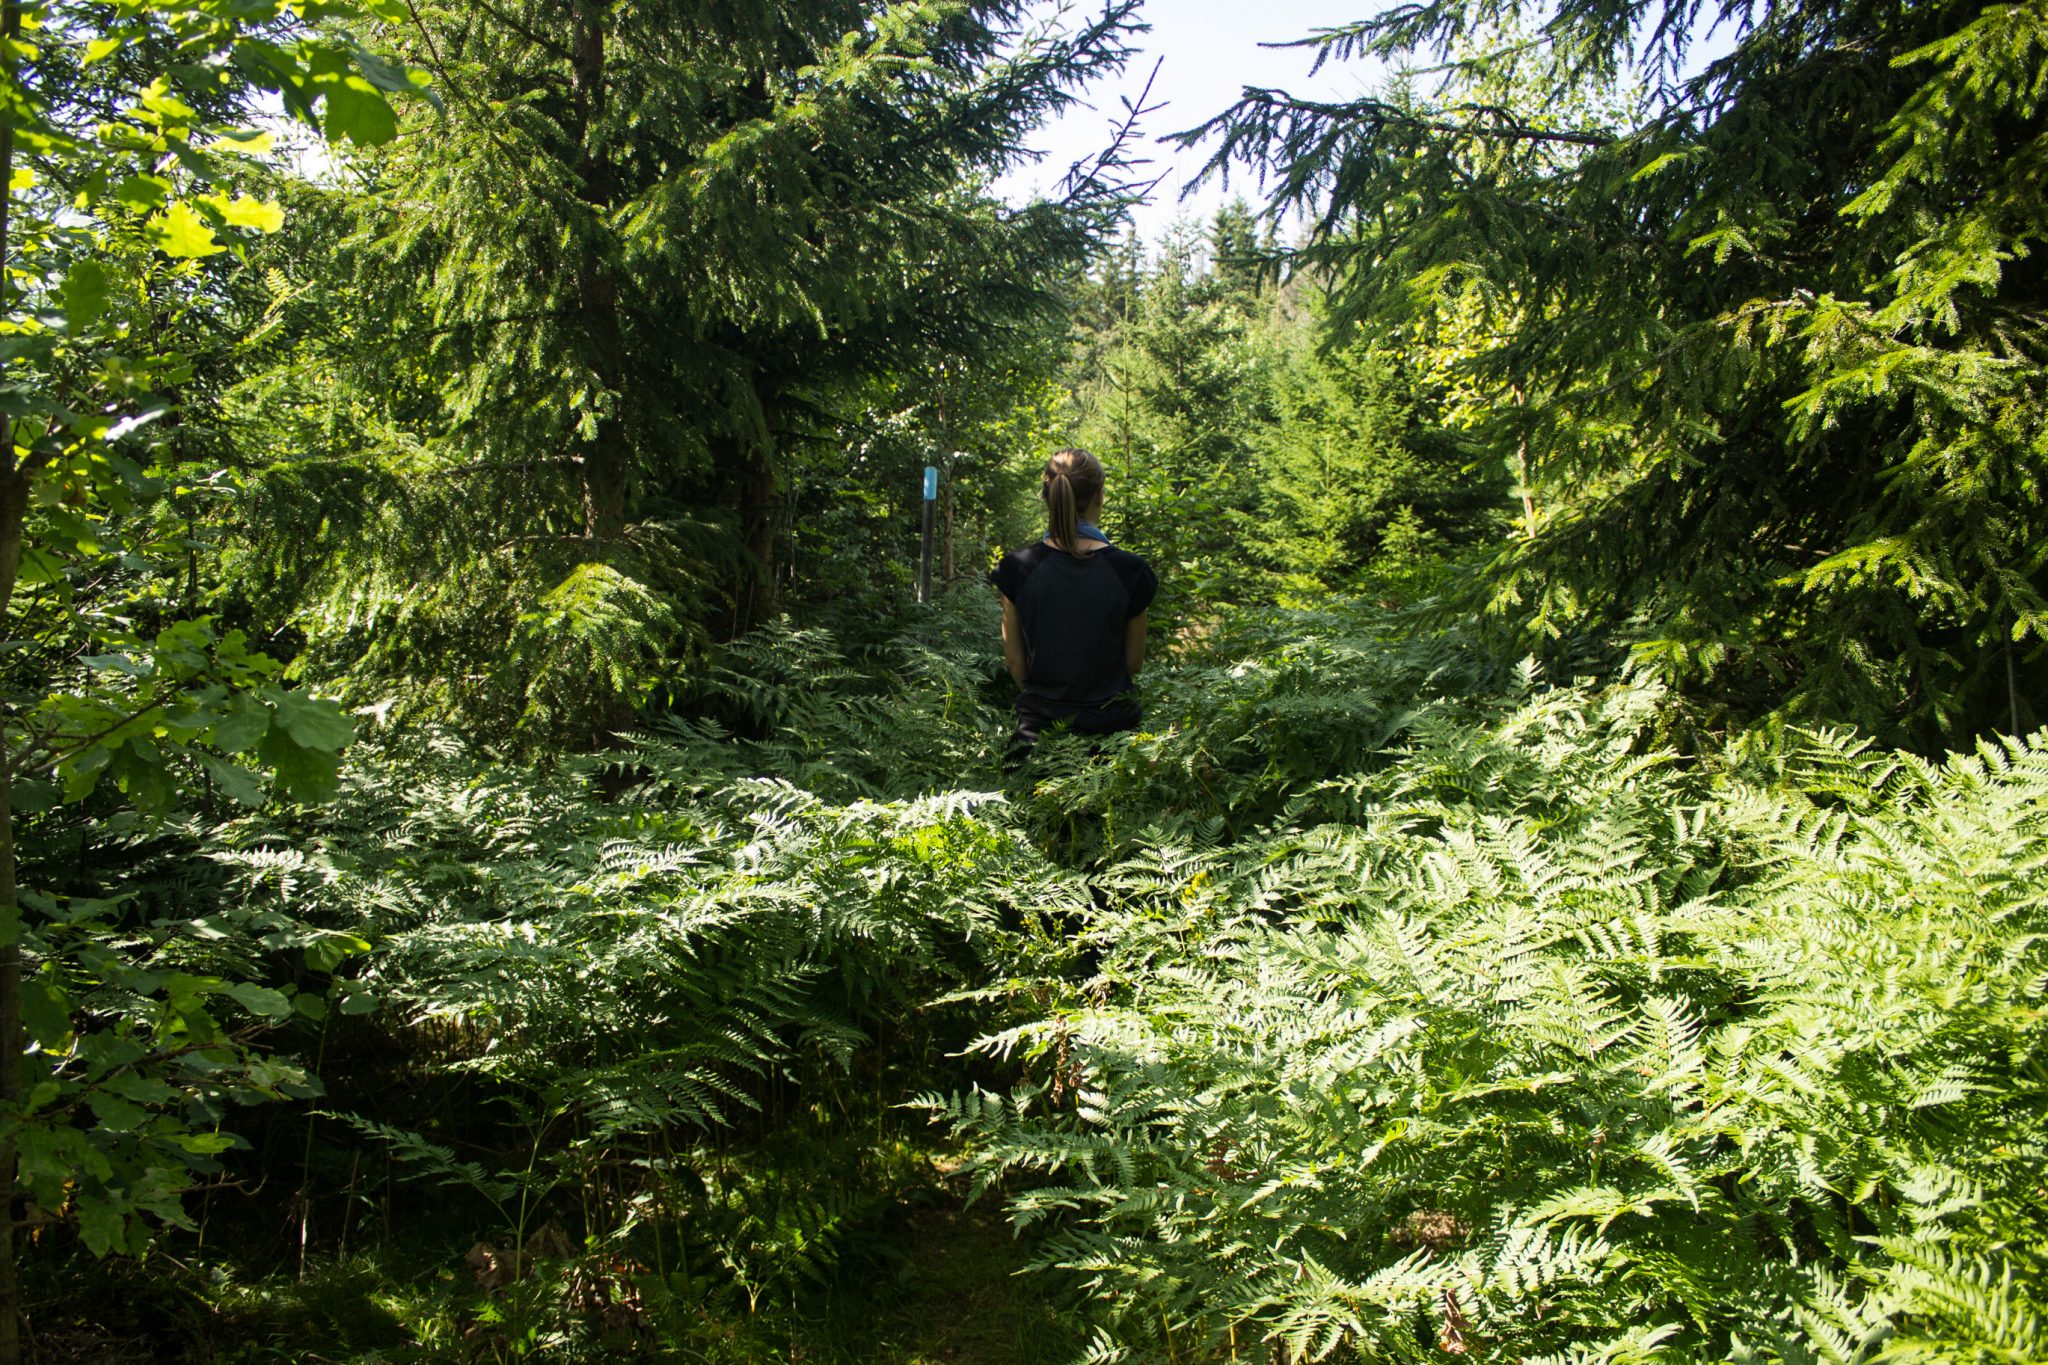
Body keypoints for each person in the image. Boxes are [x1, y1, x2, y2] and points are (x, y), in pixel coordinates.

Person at [988, 447, 1157, 757]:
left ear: (1048, 496)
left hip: (1039, 739)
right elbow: (1133, 663)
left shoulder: (1017, 568)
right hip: (1113, 739)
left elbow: (1015, 664)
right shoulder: (1131, 571)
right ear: (1099, 496)